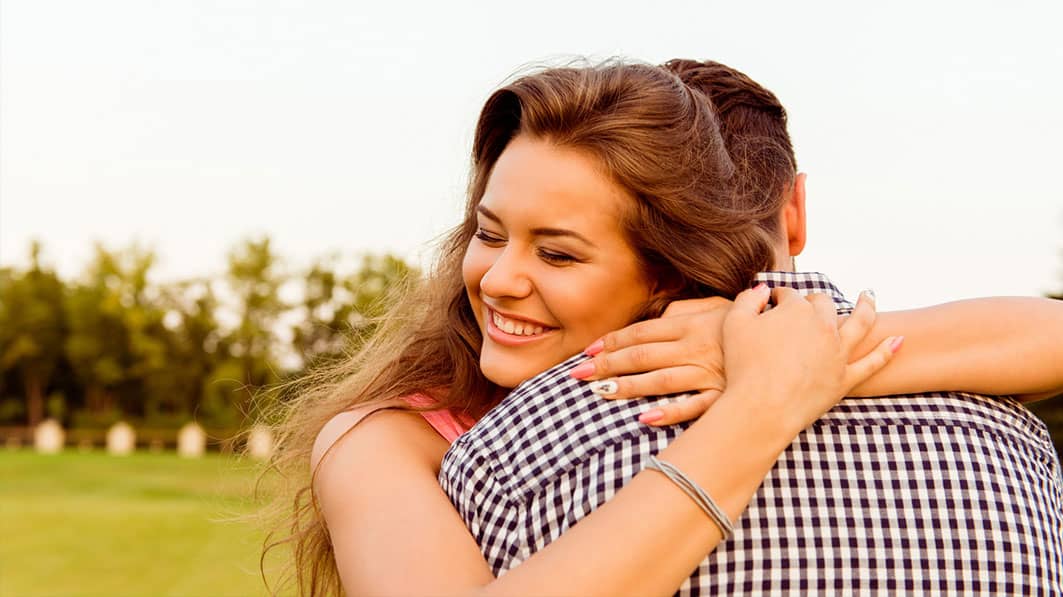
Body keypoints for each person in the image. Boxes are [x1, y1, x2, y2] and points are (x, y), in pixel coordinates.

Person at [260, 61, 1063, 596]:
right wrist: (763, 400)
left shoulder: (706, 355)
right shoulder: (383, 437)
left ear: (669, 271)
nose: (499, 278)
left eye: (561, 252)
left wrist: (760, 350)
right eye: (489, 231)